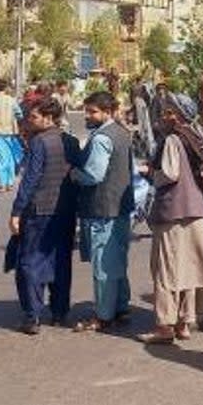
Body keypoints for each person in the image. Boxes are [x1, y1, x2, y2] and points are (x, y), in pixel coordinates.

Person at [139, 93, 203, 344]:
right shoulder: (197, 135)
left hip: (174, 212)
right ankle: (184, 321)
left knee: (166, 270)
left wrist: (150, 173)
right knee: (188, 269)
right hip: (198, 211)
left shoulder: (173, 139)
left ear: (180, 114)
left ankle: (164, 326)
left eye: (170, 112)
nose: (165, 116)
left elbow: (170, 174)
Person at [10, 98, 81, 334]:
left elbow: (30, 179)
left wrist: (17, 211)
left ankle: (32, 315)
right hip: (66, 211)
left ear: (49, 118)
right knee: (61, 261)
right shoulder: (70, 142)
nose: (29, 122)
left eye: (34, 117)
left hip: (40, 210)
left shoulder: (39, 142)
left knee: (30, 262)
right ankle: (60, 312)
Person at [71, 91, 135, 333]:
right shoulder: (122, 132)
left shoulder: (101, 139)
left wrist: (75, 175)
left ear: (107, 112)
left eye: (93, 112)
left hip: (102, 208)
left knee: (103, 265)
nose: (88, 116)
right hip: (120, 206)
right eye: (87, 111)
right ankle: (121, 307)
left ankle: (104, 315)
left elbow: (94, 175)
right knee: (117, 261)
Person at [0, 79, 24, 193]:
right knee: (9, 158)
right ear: (6, 88)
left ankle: (1, 184)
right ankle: (10, 183)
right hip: (10, 133)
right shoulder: (12, 100)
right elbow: (19, 114)